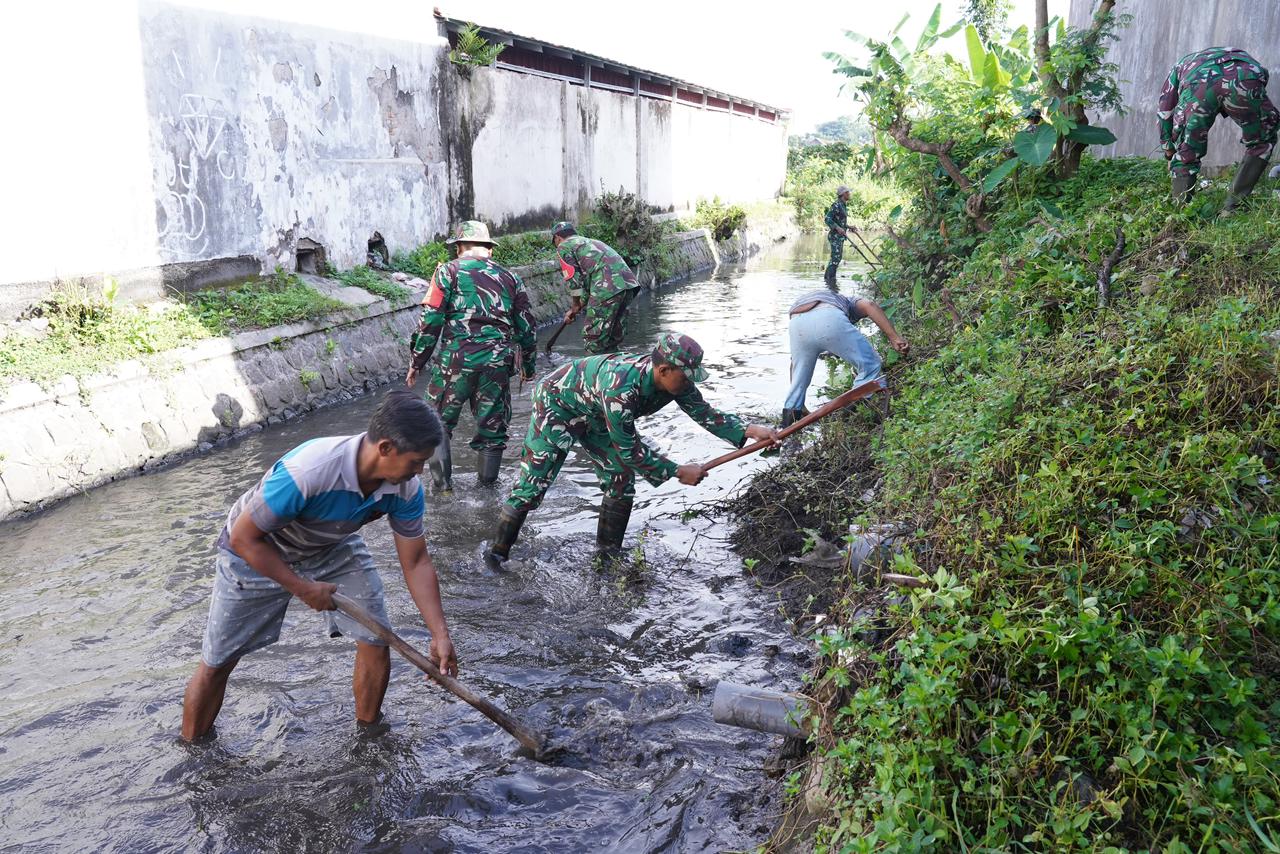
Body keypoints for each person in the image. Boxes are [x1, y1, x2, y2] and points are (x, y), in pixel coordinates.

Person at [181, 390, 457, 741]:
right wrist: (300, 587)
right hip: (257, 549)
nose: (419, 471)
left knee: (375, 637)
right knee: (219, 660)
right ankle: (193, 749)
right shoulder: (310, 471)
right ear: (385, 448)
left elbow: (416, 561)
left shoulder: (406, 489)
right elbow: (243, 538)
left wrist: (439, 633)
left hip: (331, 545)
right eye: (416, 461)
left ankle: (368, 737)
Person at [488, 333, 778, 559]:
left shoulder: (676, 383)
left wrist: (750, 431)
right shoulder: (622, 389)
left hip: (596, 411)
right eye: (686, 376)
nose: (690, 382)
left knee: (620, 479)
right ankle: (497, 555)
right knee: (535, 482)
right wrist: (678, 471)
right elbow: (630, 449)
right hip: (558, 403)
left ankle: (606, 555)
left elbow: (704, 413)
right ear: (663, 370)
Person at [406, 221, 536, 492]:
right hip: (498, 364)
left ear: (459, 247)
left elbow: (431, 320)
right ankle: (488, 491)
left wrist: (417, 361)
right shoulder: (511, 278)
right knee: (493, 427)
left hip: (456, 362)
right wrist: (530, 365)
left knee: (436, 423)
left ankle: (443, 490)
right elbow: (526, 325)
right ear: (489, 249)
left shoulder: (447, 272)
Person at [1158, 47, 1279, 211]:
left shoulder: (1181, 65)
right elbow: (1261, 78)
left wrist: (1169, 150)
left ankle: (1180, 214)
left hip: (1198, 84)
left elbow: (1165, 110)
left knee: (1187, 150)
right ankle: (1232, 207)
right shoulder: (1245, 59)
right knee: (1262, 141)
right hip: (1246, 76)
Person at [782, 290, 910, 428]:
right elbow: (870, 305)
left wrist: (797, 398)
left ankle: (790, 420)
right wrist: (894, 337)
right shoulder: (850, 302)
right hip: (829, 317)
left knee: (800, 374)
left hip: (796, 323)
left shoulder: (816, 299)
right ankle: (851, 414)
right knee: (870, 364)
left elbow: (795, 366)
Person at [551, 221, 643, 355]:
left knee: (593, 340)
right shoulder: (590, 242)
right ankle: (614, 370)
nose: (556, 246)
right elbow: (590, 282)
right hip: (628, 285)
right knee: (612, 338)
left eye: (554, 242)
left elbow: (574, 281)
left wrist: (575, 304)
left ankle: (595, 374)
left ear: (557, 238)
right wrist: (577, 307)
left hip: (607, 288)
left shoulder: (564, 246)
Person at [823, 186, 852, 285]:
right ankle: (829, 280)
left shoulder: (843, 205)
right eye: (848, 192)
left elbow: (840, 222)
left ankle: (830, 280)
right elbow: (827, 219)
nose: (849, 194)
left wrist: (849, 226)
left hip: (840, 237)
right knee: (835, 258)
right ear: (843, 194)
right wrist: (837, 228)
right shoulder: (836, 205)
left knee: (837, 258)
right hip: (835, 237)